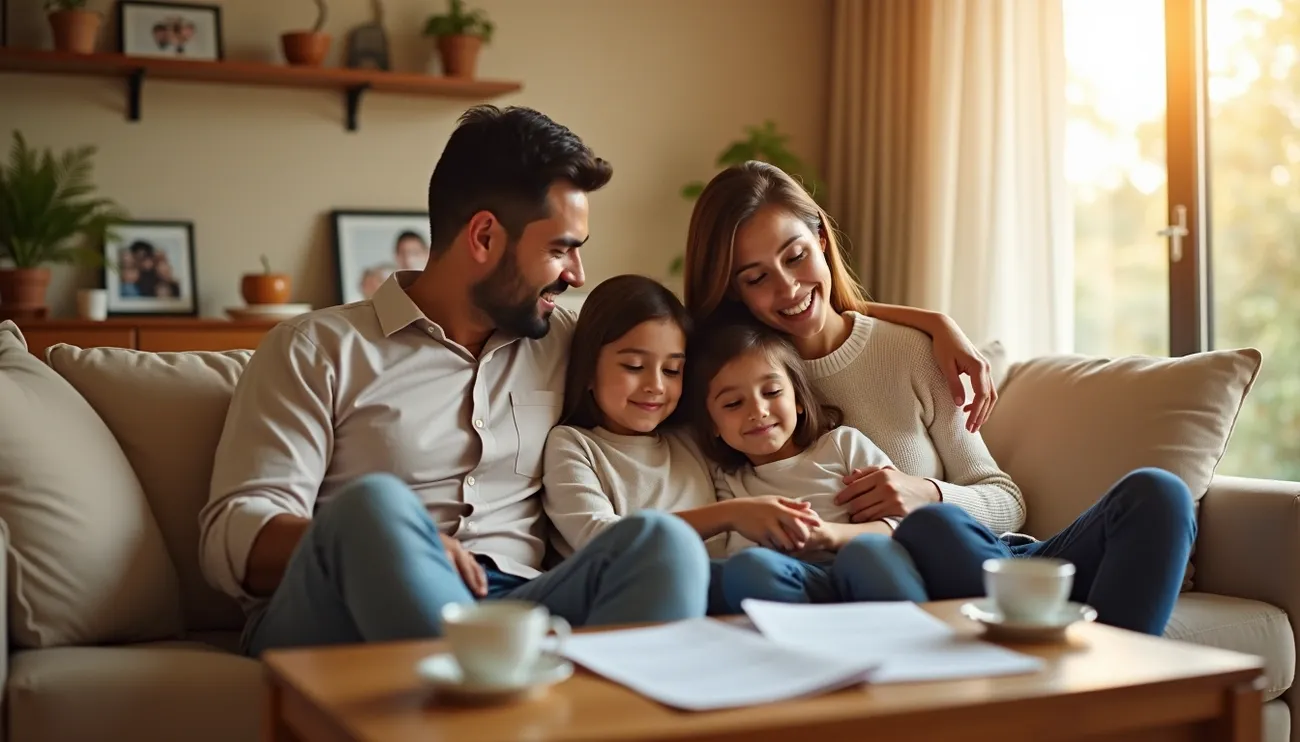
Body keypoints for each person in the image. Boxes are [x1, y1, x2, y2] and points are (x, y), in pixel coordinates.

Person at [198, 105, 712, 657]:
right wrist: (400, 543)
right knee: (375, 507)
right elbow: (235, 537)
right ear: (485, 236)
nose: (577, 275)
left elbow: (712, 379)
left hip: (521, 605)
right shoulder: (317, 348)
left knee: (662, 543)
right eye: (561, 249)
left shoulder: (571, 342)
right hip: (346, 614)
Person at [681, 160, 1196, 635]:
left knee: (1158, 494)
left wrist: (928, 491)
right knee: (928, 531)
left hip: (1000, 563)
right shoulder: (743, 395)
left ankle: (1119, 691)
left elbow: (1008, 500)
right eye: (757, 278)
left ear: (820, 238)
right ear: (734, 292)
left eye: (796, 257)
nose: (789, 287)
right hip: (925, 587)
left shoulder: (910, 349)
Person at [539, 273, 822, 611]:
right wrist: (730, 514)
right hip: (627, 593)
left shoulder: (691, 439)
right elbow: (599, 538)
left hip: (717, 588)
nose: (656, 385)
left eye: (672, 370)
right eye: (634, 366)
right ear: (587, 371)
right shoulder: (572, 445)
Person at [686, 317, 928, 611]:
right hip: (801, 584)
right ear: (712, 424)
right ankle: (804, 640)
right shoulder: (729, 480)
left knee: (869, 552)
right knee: (748, 566)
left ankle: (910, 636)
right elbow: (743, 553)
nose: (758, 411)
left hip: (863, 566)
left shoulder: (842, 445)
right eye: (733, 404)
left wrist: (829, 534)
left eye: (772, 392)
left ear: (798, 399)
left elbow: (900, 526)